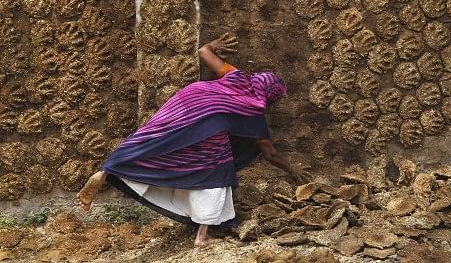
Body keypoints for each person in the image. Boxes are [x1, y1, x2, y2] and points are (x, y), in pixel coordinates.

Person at [77, 33, 312, 247]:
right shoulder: (254, 113)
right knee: (217, 172)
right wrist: (292, 169)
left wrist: (214, 45)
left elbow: (203, 52)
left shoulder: (236, 75)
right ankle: (202, 236)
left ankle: (108, 170)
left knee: (154, 139)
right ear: (270, 97)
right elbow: (269, 153)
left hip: (188, 102)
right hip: (210, 126)